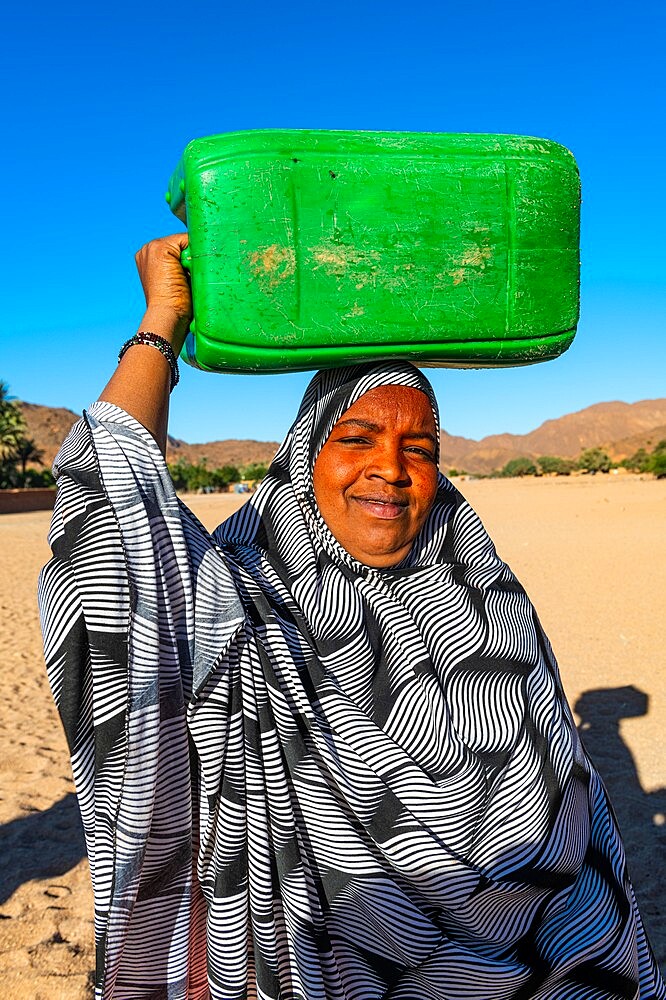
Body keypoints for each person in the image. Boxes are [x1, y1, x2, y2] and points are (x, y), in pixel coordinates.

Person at [39, 235, 665, 1000]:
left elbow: (582, 839)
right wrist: (161, 322)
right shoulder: (243, 604)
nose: (392, 469)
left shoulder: (490, 605)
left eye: (421, 447)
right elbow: (110, 517)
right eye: (357, 439)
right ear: (304, 460)